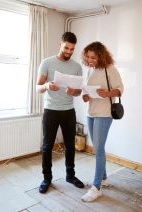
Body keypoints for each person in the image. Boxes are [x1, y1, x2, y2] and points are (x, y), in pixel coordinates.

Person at [36, 32, 85, 194]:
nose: (69, 51)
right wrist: (47, 86)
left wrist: (74, 92)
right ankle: (47, 178)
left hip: (68, 111)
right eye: (66, 48)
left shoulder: (77, 67)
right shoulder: (47, 63)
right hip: (51, 111)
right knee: (47, 146)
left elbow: (79, 92)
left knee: (70, 145)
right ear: (60, 44)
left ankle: (70, 176)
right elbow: (38, 87)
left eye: (72, 49)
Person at [81, 41, 124, 202]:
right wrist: (85, 96)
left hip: (104, 113)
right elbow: (88, 92)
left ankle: (96, 187)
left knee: (98, 150)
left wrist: (107, 93)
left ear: (101, 56)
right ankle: (104, 177)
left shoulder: (110, 69)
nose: (90, 60)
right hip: (91, 112)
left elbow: (120, 89)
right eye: (88, 57)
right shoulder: (90, 70)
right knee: (97, 148)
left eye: (93, 57)